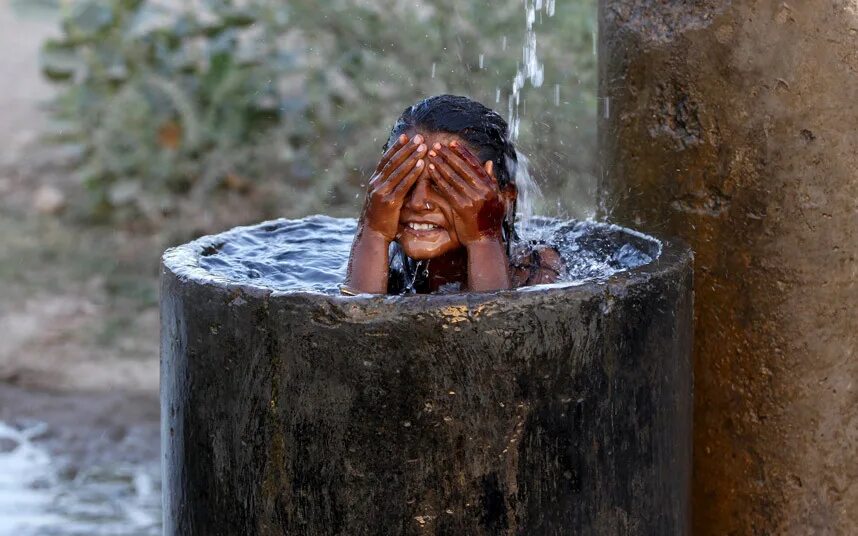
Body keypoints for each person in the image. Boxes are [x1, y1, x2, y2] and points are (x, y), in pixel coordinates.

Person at [343, 95, 561, 295]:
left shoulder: (536, 272)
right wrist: (373, 231)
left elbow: (492, 330)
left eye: (444, 185)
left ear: (503, 198)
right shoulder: (382, 266)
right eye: (404, 183)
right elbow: (356, 327)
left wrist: (483, 238)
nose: (418, 203)